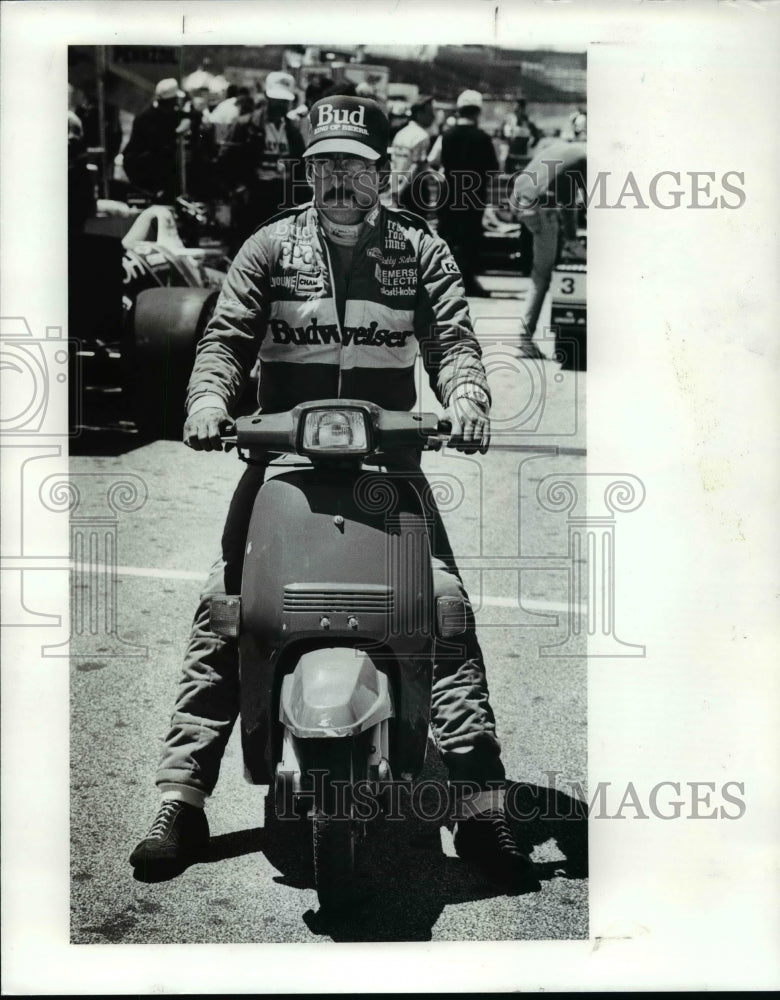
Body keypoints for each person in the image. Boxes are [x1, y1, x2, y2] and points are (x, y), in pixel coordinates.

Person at [129, 94, 537, 893]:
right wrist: (209, 402)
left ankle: (482, 799)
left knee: (443, 609)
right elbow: (225, 338)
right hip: (283, 467)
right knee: (228, 606)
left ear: (382, 171)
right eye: (324, 165)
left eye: (354, 164)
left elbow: (452, 340)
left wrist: (467, 400)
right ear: (306, 169)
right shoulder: (269, 247)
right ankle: (181, 793)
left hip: (390, 470)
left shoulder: (419, 249)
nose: (339, 179)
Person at [511, 132, 587, 358]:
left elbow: (567, 198)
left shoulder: (570, 149)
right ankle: (524, 338)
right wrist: (573, 242)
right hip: (542, 207)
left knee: (545, 264)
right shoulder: (589, 160)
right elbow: (572, 204)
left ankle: (526, 336)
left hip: (520, 198)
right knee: (542, 273)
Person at [218, 71, 305, 253]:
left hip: (281, 196)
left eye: (284, 101)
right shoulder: (246, 124)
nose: (280, 105)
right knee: (248, 247)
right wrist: (235, 188)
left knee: (278, 249)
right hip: (254, 194)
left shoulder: (292, 132)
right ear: (266, 96)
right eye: (276, 99)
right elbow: (226, 159)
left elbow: (301, 168)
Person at [435, 89, 499, 298]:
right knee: (470, 240)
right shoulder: (482, 138)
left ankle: (444, 281)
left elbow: (436, 162)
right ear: (477, 112)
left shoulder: (446, 136)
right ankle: (467, 281)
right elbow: (492, 169)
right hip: (473, 195)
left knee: (448, 238)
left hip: (448, 194)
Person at [122, 78, 188, 202]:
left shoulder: (162, 113)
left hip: (147, 161)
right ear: (170, 101)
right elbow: (159, 144)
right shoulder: (148, 118)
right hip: (140, 163)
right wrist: (177, 132)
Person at [389, 94, 435, 215]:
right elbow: (416, 166)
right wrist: (401, 191)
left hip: (397, 184)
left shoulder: (401, 133)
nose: (433, 117)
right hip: (414, 189)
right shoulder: (422, 136)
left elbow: (394, 163)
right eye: (430, 113)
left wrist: (395, 189)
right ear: (419, 114)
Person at [502, 97, 542, 174]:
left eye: (520, 109)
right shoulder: (509, 120)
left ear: (523, 109)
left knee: (524, 175)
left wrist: (530, 146)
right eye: (516, 109)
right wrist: (509, 142)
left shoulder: (529, 121)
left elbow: (537, 136)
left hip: (525, 155)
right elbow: (503, 135)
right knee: (509, 175)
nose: (517, 111)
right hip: (512, 154)